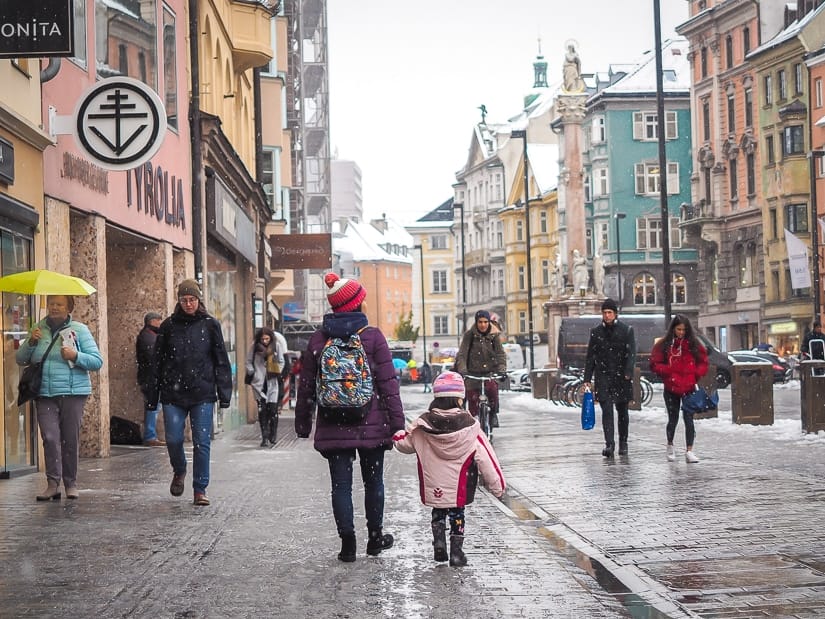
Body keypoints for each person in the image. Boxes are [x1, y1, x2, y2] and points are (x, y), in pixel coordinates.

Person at [294, 272, 405, 562]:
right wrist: (397, 424)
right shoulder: (372, 337)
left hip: (333, 421)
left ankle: (348, 544)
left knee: (341, 486)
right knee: (373, 483)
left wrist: (303, 423)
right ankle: (375, 538)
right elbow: (388, 385)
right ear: (357, 304)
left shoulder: (319, 339)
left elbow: (306, 386)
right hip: (372, 420)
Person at [393, 371, 505, 567]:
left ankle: (438, 542)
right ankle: (456, 552)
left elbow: (405, 445)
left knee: (439, 511)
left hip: (435, 485)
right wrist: (498, 487)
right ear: (460, 400)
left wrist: (396, 435)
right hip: (459, 487)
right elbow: (488, 458)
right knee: (457, 514)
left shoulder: (422, 426)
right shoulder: (471, 428)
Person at [147, 279, 232, 507]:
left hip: (202, 393)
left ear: (199, 300)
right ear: (179, 300)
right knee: (174, 439)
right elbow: (157, 363)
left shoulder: (210, 325)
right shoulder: (168, 326)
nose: (188, 304)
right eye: (184, 300)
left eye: (192, 299)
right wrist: (152, 396)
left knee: (202, 442)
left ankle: (200, 489)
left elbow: (221, 360)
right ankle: (180, 469)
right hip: (173, 394)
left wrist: (224, 393)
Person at [16, 295, 103, 501]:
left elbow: (97, 361)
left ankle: (70, 483)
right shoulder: (38, 328)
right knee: (50, 437)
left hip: (73, 393)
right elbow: (20, 359)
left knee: (69, 439)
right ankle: (53, 483)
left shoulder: (79, 330)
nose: (54, 308)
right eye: (52, 303)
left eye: (59, 304)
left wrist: (75, 356)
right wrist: (31, 342)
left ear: (68, 308)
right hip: (44, 393)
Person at [650, 315, 708, 463]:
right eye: (678, 329)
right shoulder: (664, 345)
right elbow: (654, 364)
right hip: (671, 386)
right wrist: (669, 371)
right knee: (673, 418)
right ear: (673, 329)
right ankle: (670, 444)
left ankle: (689, 450)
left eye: (684, 330)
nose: (681, 332)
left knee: (689, 419)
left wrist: (695, 374)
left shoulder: (694, 345)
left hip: (688, 386)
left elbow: (703, 362)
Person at [583, 298, 636, 457]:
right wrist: (587, 378)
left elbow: (631, 353)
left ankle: (623, 442)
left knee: (622, 411)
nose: (607, 315)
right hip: (603, 376)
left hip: (621, 377)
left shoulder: (626, 330)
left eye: (609, 312)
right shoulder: (596, 332)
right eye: (604, 312)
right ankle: (609, 444)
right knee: (606, 410)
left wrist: (628, 372)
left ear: (615, 313)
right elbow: (590, 356)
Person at [455, 310, 507, 428]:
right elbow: (462, 354)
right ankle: (473, 423)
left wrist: (502, 370)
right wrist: (463, 370)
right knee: (472, 399)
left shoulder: (494, 336)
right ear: (476, 322)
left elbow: (500, 354)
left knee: (493, 392)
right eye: (480, 322)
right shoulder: (469, 336)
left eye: (485, 322)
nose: (483, 325)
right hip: (472, 374)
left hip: (489, 373)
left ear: (489, 322)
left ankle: (493, 414)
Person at [245, 326, 284, 447]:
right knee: (262, 411)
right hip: (259, 382)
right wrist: (252, 372)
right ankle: (264, 437)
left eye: (267, 338)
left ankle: (273, 434)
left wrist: (277, 370)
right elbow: (248, 361)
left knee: (273, 410)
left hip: (272, 380)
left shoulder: (276, 345)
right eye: (263, 339)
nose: (265, 341)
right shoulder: (254, 346)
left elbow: (282, 361)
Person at [135, 311, 165, 447]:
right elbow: (154, 356)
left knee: (154, 405)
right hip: (150, 377)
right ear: (152, 321)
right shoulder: (148, 336)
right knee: (153, 405)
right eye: (159, 321)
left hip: (150, 377)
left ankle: (151, 435)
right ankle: (150, 436)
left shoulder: (150, 335)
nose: (160, 323)